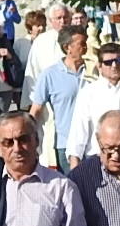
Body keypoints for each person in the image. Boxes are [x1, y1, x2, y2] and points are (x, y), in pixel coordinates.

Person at [67, 43, 120, 165]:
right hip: (99, 160)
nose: (114, 65)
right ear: (99, 66)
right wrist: (75, 169)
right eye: (108, 62)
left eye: (118, 60)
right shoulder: (89, 92)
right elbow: (78, 133)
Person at [29, 26, 91, 172]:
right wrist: (28, 138)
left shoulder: (94, 70)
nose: (86, 47)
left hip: (93, 142)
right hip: (66, 144)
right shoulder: (50, 75)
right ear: (67, 48)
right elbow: (36, 109)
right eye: (81, 44)